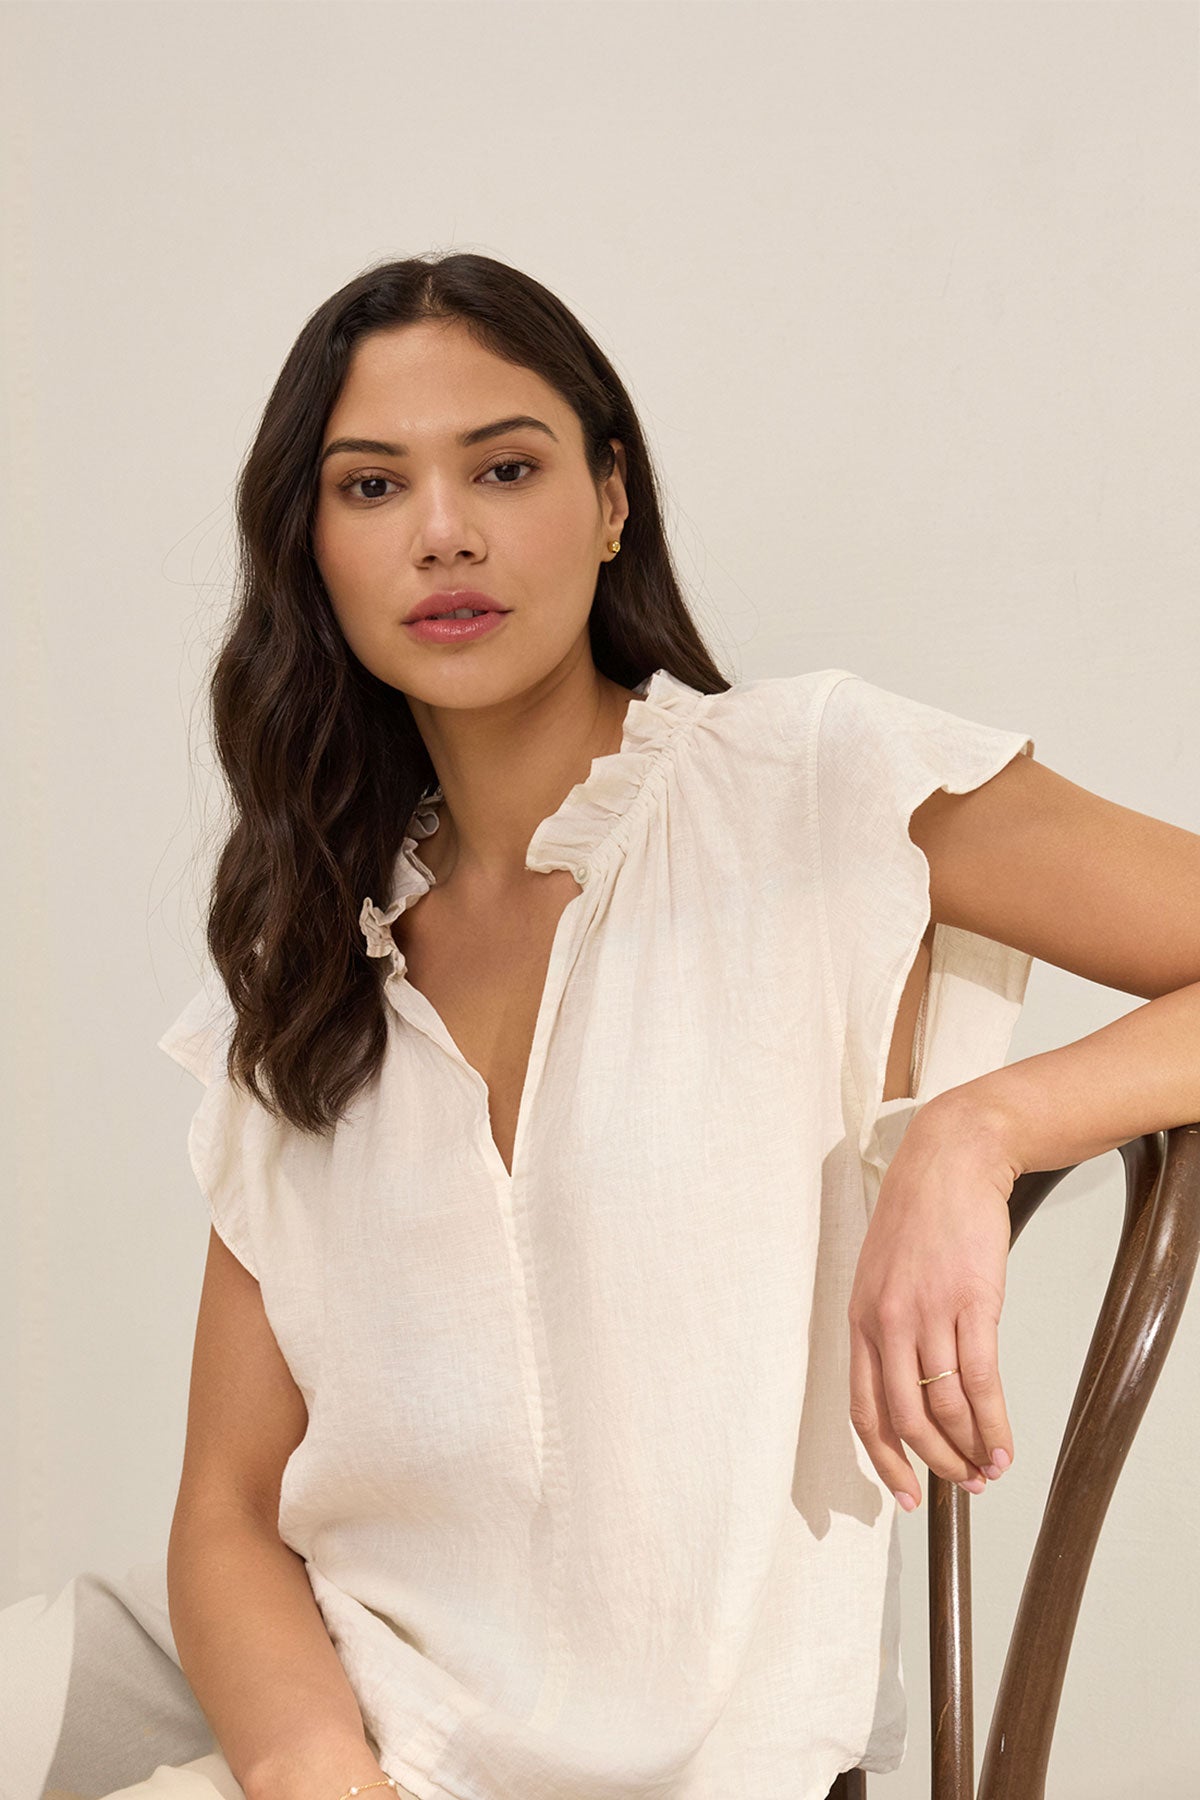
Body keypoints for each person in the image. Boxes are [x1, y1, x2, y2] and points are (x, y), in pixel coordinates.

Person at [7, 252, 1198, 1800]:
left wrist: (982, 1129)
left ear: (612, 499)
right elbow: (231, 1510)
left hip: (649, 1758)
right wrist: (312, 1771)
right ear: (310, 547)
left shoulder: (810, 789)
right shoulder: (308, 955)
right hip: (292, 1699)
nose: (444, 531)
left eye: (504, 466)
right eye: (371, 487)